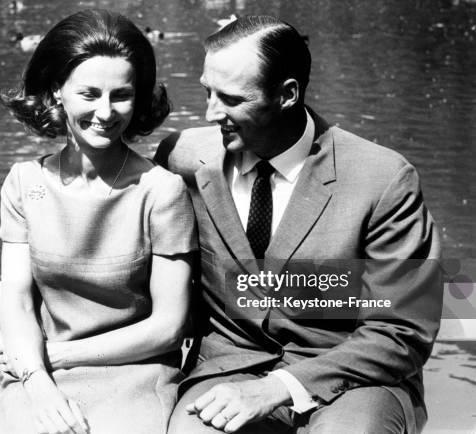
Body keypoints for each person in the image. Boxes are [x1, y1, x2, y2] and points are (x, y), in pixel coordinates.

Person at [154, 15, 443, 434]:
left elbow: (403, 330)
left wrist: (280, 387)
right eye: (207, 92)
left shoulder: (382, 179)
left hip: (353, 380)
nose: (211, 112)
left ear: (288, 94)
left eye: (232, 99)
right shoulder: (183, 156)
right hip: (227, 368)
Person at [0, 9, 196, 434]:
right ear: (56, 92)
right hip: (38, 374)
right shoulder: (23, 183)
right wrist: (37, 382)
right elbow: (16, 298)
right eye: (89, 93)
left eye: (121, 94)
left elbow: (168, 327)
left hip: (133, 373)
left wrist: (55, 356)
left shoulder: (161, 191)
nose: (106, 112)